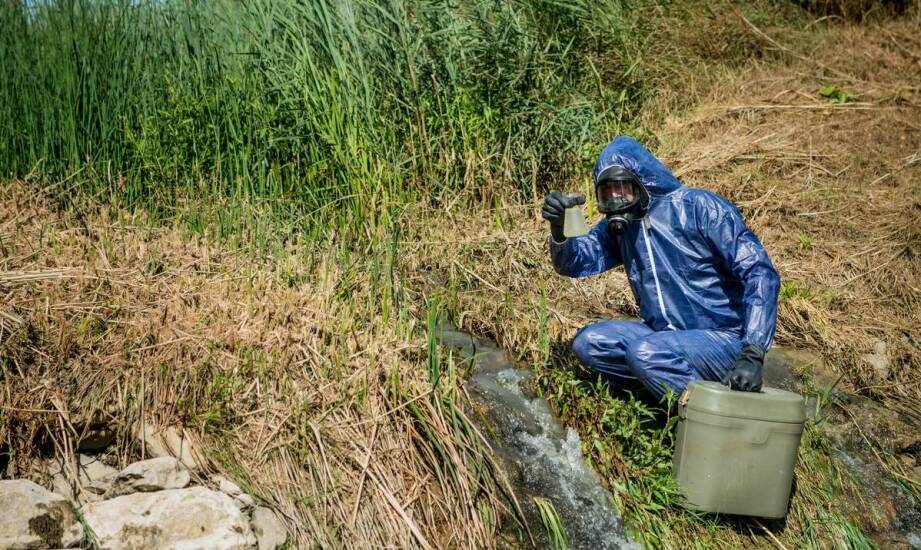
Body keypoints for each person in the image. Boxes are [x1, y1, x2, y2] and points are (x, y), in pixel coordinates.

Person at [541, 136, 780, 399]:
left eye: (620, 187)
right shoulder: (621, 228)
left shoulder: (700, 209)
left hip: (724, 339)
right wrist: (559, 231)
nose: (614, 197)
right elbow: (575, 263)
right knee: (590, 344)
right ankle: (662, 395)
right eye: (606, 191)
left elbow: (759, 272)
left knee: (646, 352)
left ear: (641, 181)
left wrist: (753, 353)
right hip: (661, 338)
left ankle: (713, 415)